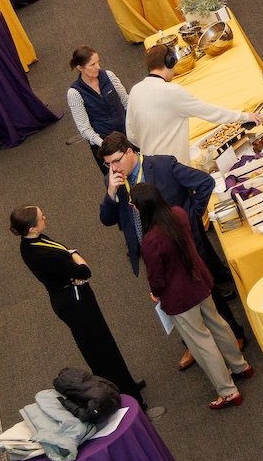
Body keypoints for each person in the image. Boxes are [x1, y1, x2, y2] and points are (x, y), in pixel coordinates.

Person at [98, 132, 250, 351]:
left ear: (130, 152)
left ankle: (234, 332)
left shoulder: (162, 166)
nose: (113, 168)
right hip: (151, 252)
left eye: (116, 161)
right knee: (172, 300)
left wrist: (190, 218)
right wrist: (111, 192)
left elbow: (205, 183)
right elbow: (107, 219)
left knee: (206, 292)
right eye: (108, 164)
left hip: (183, 247)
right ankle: (190, 344)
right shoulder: (113, 181)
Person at [132, 182, 250, 407]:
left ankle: (228, 392)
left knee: (201, 342)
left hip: (180, 297)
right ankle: (241, 366)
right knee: (218, 324)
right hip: (199, 281)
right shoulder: (177, 213)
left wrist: (155, 293)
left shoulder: (150, 240)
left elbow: (157, 277)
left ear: (142, 208)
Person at [12, 205, 146, 398]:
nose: (45, 218)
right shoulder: (40, 253)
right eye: (42, 218)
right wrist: (75, 255)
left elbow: (66, 254)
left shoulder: (33, 242)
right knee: (100, 350)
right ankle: (124, 394)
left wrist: (71, 257)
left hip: (72, 295)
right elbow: (84, 271)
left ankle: (124, 385)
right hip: (75, 303)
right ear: (31, 228)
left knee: (104, 345)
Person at [126, 42, 260, 160]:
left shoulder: (135, 91)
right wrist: (245, 116)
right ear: (171, 62)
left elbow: (131, 134)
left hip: (149, 165)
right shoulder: (173, 92)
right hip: (175, 166)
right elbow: (210, 112)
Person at [65, 45, 129, 169]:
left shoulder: (109, 76)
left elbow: (126, 101)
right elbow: (85, 129)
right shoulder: (74, 93)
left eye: (98, 62)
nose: (98, 67)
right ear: (80, 68)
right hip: (105, 145)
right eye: (92, 64)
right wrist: (105, 145)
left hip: (128, 134)